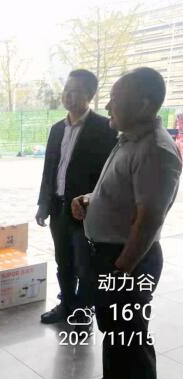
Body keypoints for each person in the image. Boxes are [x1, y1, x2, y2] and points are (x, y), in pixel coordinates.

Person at [72, 67, 182, 379]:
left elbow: (148, 220)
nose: (107, 105)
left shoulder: (156, 151)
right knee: (115, 330)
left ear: (144, 104)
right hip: (112, 257)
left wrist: (121, 269)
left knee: (131, 338)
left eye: (115, 99)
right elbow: (123, 192)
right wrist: (89, 199)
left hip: (128, 261)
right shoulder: (130, 139)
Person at [36, 70, 117, 329]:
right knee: (63, 262)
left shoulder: (104, 128)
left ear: (89, 95)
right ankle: (67, 303)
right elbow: (49, 170)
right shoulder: (57, 129)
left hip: (86, 211)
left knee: (85, 265)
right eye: (66, 90)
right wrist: (43, 204)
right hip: (58, 208)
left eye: (75, 91)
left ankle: (83, 310)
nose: (68, 96)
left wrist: (93, 203)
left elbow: (108, 175)